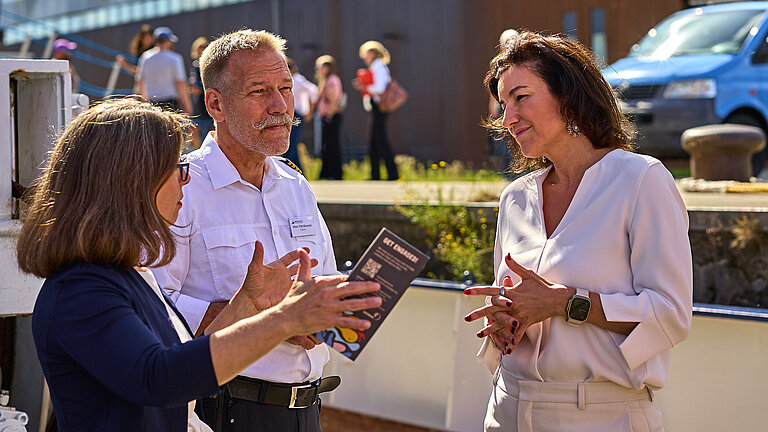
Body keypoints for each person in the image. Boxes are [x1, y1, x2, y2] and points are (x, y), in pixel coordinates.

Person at [17, 98, 381, 432]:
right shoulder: (82, 290)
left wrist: (247, 304)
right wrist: (285, 319)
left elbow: (184, 360)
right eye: (177, 168)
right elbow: (160, 378)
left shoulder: (123, 277)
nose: (186, 180)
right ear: (131, 182)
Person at [463, 31, 692, 431]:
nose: (507, 118)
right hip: (507, 408)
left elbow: (671, 315)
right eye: (503, 105)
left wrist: (566, 303)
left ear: (567, 96)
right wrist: (507, 319)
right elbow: (522, 304)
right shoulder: (515, 198)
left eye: (521, 97)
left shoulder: (641, 180)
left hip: (603, 416)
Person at [151, 30, 342, 432]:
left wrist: (327, 310)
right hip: (223, 410)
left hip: (308, 411)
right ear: (215, 104)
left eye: (285, 88)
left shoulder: (295, 186)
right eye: (259, 91)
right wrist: (263, 317)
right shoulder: (180, 187)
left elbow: (323, 277)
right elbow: (153, 305)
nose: (280, 106)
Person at [355, 40, 398, 181]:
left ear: (372, 53)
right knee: (375, 141)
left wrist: (364, 88)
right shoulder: (377, 66)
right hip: (376, 107)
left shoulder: (378, 66)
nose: (364, 57)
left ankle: (392, 174)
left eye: (366, 54)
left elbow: (379, 89)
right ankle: (376, 174)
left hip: (379, 107)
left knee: (381, 140)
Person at [136, 26, 192, 114]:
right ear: (169, 41)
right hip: (170, 103)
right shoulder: (175, 58)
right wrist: (187, 104)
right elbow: (180, 82)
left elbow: (140, 82)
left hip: (151, 103)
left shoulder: (145, 57)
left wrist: (143, 103)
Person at [487, 29, 518, 178]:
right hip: (503, 107)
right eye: (507, 41)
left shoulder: (521, 60)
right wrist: (493, 106)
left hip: (517, 104)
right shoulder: (500, 62)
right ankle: (508, 174)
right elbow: (494, 87)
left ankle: (519, 171)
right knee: (506, 142)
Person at [284, 57, 318, 171]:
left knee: (290, 144)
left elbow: (313, 91)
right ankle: (298, 171)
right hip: (289, 114)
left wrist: (310, 111)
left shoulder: (297, 79)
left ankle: (291, 170)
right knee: (290, 143)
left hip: (296, 113)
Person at [315, 54, 344, 180]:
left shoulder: (331, 81)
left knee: (332, 144)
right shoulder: (327, 80)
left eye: (320, 67)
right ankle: (327, 172)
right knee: (327, 144)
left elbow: (333, 101)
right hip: (328, 115)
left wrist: (329, 115)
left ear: (328, 67)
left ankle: (334, 172)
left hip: (330, 116)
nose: (317, 69)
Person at [189, 37, 213, 149]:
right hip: (199, 103)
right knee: (196, 129)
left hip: (210, 102)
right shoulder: (195, 66)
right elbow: (194, 88)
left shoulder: (211, 66)